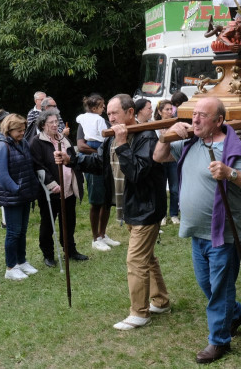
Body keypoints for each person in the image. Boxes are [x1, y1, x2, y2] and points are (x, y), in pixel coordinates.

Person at [153, 97, 241, 364]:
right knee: (208, 285)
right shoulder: (190, 143)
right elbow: (159, 156)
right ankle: (235, 314)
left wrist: (230, 173)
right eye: (194, 114)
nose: (195, 119)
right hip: (197, 232)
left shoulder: (231, 148)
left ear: (218, 121)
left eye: (203, 116)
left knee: (220, 288)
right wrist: (167, 137)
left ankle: (219, 341)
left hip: (224, 235)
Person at [56, 94, 169, 331]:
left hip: (146, 208)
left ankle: (139, 313)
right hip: (128, 207)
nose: (110, 118)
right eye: (108, 114)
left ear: (130, 113)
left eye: (115, 113)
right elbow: (98, 163)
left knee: (136, 260)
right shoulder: (112, 138)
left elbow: (136, 172)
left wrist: (123, 143)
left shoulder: (146, 137)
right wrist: (70, 159)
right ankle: (160, 300)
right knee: (146, 257)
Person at [30, 108, 90, 269]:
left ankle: (70, 250)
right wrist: (51, 184)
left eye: (57, 121)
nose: (56, 125)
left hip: (69, 188)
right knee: (48, 223)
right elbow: (38, 165)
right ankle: (48, 254)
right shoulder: (37, 142)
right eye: (51, 122)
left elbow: (73, 159)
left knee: (69, 222)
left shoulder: (64, 139)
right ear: (43, 125)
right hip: (51, 191)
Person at [0, 113, 42, 281]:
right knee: (13, 232)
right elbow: (1, 175)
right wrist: (17, 189)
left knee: (22, 230)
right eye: (18, 130)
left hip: (25, 194)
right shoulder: (1, 146)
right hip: (13, 196)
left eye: (23, 129)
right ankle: (10, 267)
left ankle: (21, 261)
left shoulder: (23, 142)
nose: (22, 133)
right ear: (8, 129)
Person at [75, 94, 117, 246]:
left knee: (106, 200)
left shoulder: (103, 120)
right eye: (102, 105)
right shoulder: (84, 123)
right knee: (96, 201)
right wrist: (100, 154)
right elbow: (81, 146)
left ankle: (103, 234)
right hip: (93, 165)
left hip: (106, 164)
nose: (105, 108)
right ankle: (95, 238)